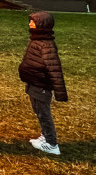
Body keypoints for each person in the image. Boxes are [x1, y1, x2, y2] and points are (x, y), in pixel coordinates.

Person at [18, 11, 68, 156]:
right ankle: (45, 135)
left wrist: (60, 92)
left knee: (43, 113)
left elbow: (54, 69)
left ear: (41, 25)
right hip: (34, 83)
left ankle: (51, 143)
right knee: (38, 111)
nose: (29, 24)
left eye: (32, 22)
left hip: (41, 86)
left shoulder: (46, 44)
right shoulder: (36, 40)